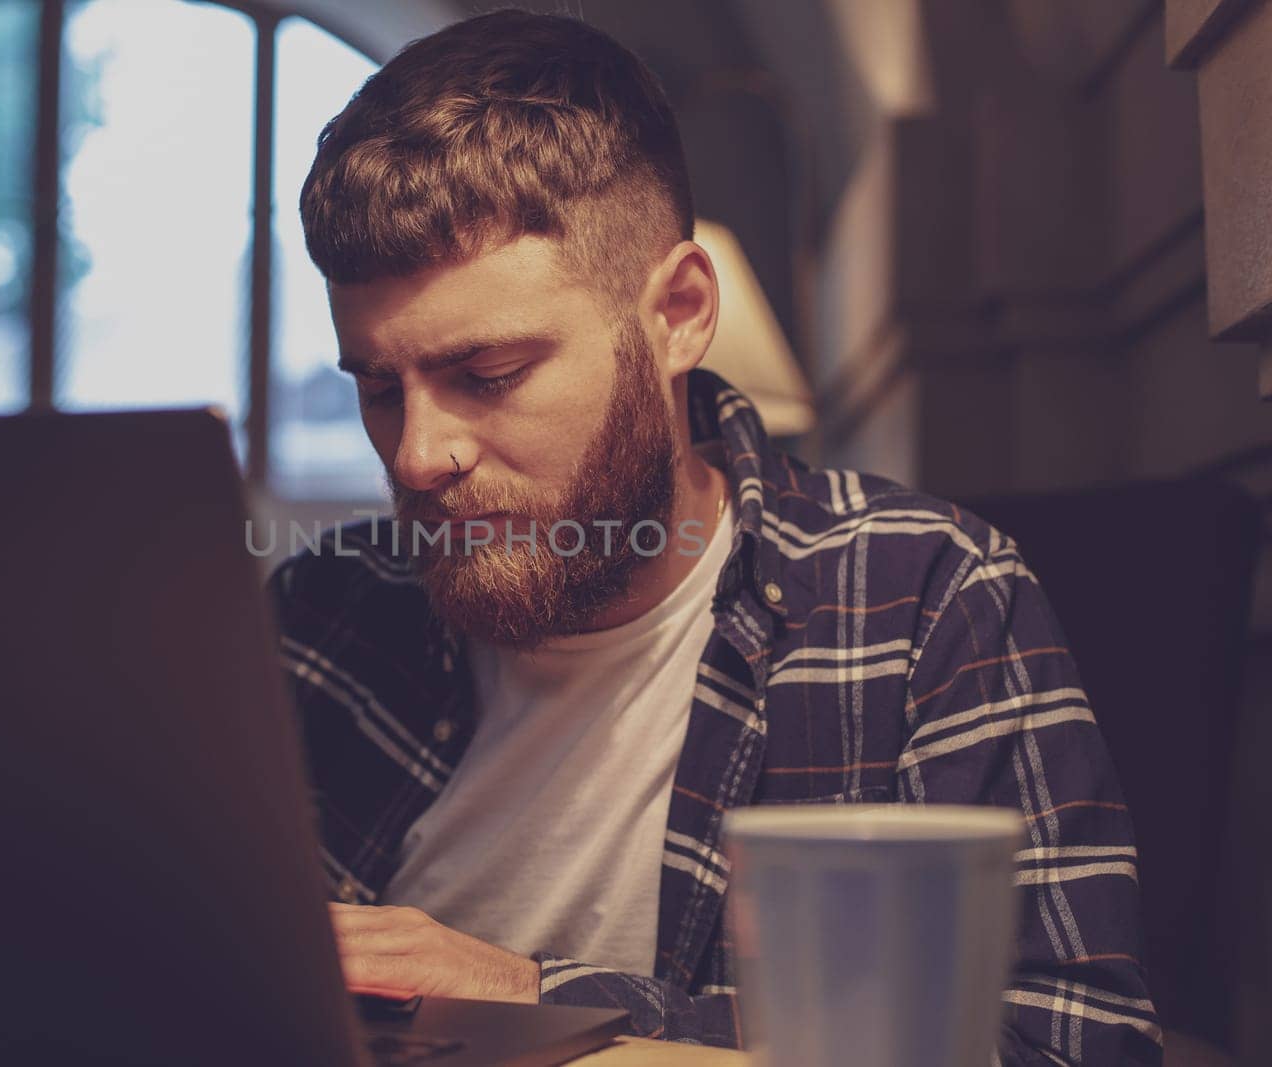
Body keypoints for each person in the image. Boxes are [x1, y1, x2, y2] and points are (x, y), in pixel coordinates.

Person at [270, 9, 1161, 1062]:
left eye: (489, 376)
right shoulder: (321, 617)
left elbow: (1072, 1042)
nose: (418, 455)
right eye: (379, 389)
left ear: (678, 313)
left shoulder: (921, 593)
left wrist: (532, 996)